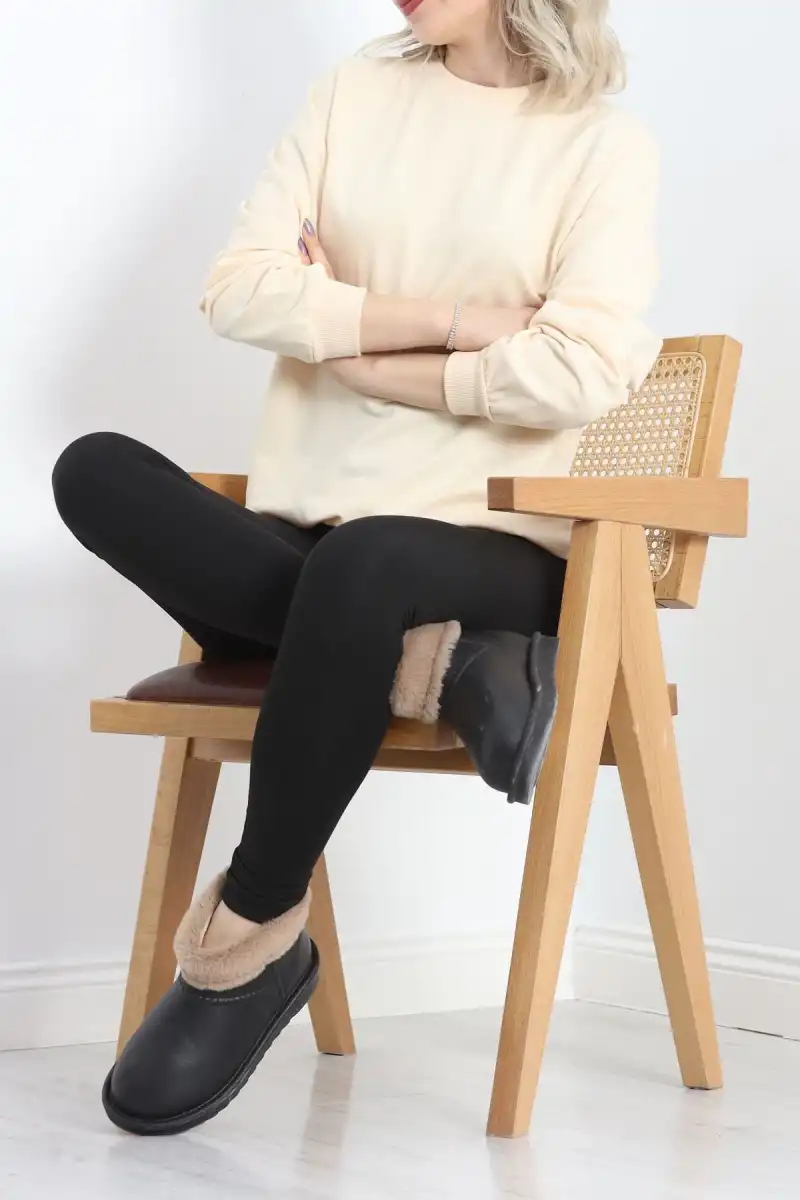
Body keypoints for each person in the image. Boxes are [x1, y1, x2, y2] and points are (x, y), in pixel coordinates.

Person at [52, 0, 661, 1136]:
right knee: (95, 471)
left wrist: (361, 353)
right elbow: (239, 289)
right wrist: (465, 321)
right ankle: (438, 664)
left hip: (496, 546)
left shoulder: (599, 145)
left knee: (369, 560)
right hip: (322, 536)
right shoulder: (354, 96)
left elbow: (580, 371)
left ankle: (248, 939)